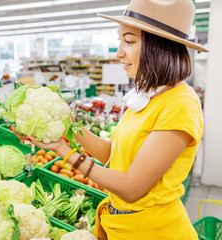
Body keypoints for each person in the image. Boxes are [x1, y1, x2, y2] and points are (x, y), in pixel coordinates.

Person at [12, 0, 208, 239]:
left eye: (129, 41)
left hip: (153, 230)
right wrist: (68, 127)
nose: (119, 53)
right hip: (119, 224)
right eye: (120, 40)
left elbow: (131, 188)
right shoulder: (146, 96)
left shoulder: (180, 104)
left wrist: (65, 152)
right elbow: (112, 154)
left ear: (159, 46)